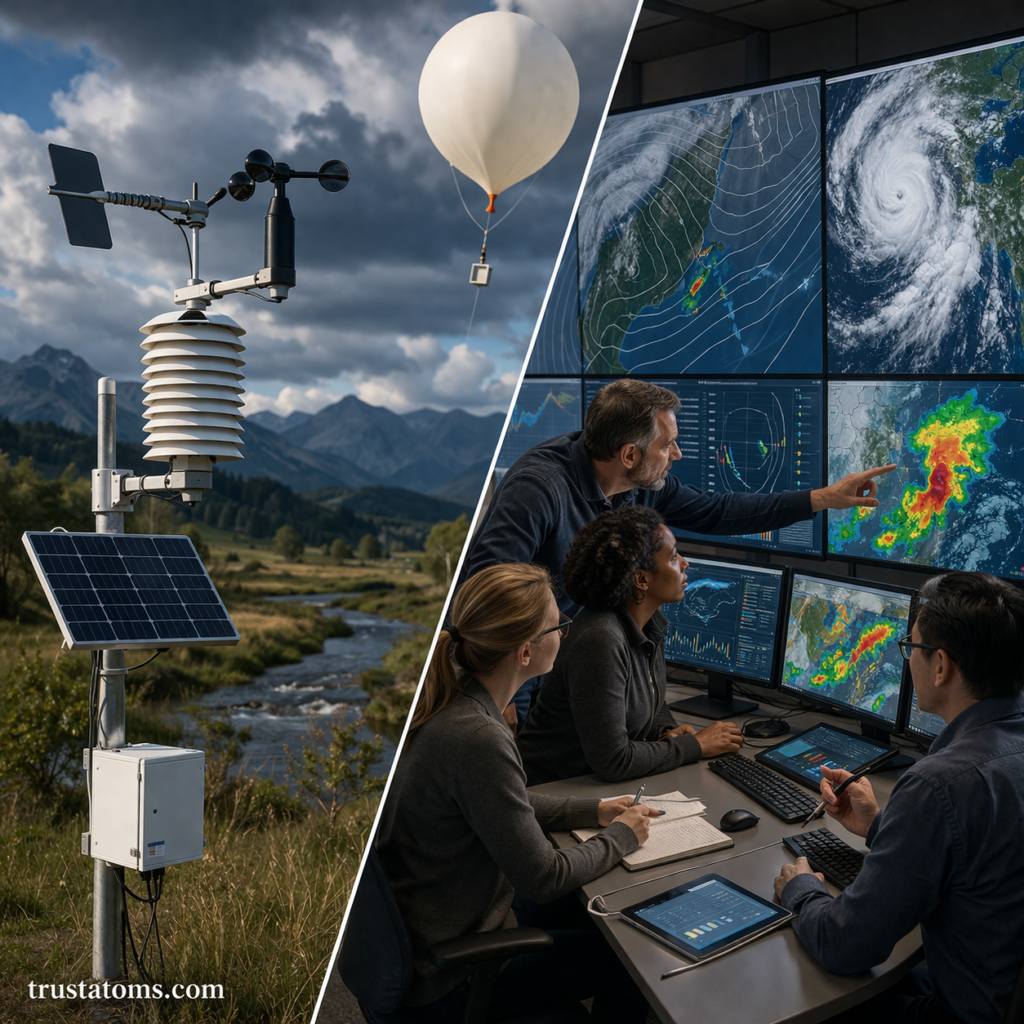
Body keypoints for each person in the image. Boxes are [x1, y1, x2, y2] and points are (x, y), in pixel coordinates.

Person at [461, 378, 894, 723]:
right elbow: (484, 593)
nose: (677, 454)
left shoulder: (640, 485)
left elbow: (719, 511)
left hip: (576, 666)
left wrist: (821, 498)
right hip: (521, 672)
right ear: (629, 454)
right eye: (667, 445)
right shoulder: (539, 489)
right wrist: (502, 694)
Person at [374, 562, 659, 1024]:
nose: (565, 634)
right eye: (558, 626)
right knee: (629, 964)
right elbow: (543, 877)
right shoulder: (479, 738)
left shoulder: (459, 704)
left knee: (586, 913)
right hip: (450, 977)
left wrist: (595, 811)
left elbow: (503, 803)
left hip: (440, 923)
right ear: (525, 652)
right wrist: (624, 836)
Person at [773, 571, 1024, 1024]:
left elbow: (843, 945)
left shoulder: (938, 785)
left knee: (788, 995)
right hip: (1001, 992)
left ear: (942, 665)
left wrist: (800, 889)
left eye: (911, 648)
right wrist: (879, 826)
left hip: (964, 1012)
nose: (909, 659)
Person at [517, 506, 743, 785]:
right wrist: (696, 746)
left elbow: (649, 696)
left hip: (591, 787)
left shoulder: (649, 624)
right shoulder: (599, 639)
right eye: (673, 558)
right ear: (641, 580)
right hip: (552, 792)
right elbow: (614, 761)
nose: (684, 564)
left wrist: (665, 729)